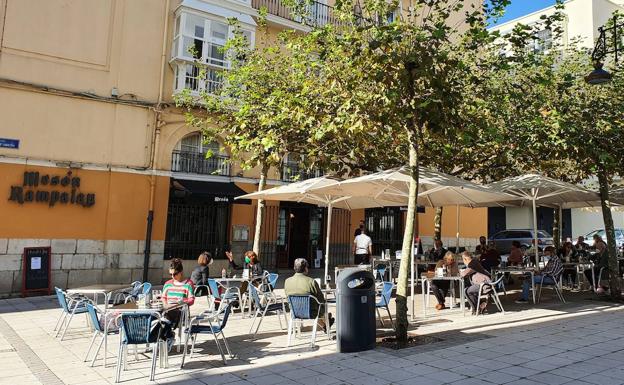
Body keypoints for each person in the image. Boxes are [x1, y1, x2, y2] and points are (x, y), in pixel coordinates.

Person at [284, 258, 334, 332]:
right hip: (311, 312)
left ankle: (325, 324)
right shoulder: (311, 281)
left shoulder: (287, 281)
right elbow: (321, 299)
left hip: (294, 311)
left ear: (294, 268)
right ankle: (326, 320)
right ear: (305, 269)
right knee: (321, 305)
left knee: (316, 306)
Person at [158, 258, 195, 345]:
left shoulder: (188, 284)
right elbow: (163, 297)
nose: (172, 277)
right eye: (171, 274)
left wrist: (182, 301)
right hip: (167, 309)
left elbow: (191, 300)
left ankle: (167, 338)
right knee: (155, 315)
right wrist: (165, 304)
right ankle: (166, 337)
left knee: (165, 317)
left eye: (175, 274)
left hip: (180, 311)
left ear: (181, 272)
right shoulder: (167, 284)